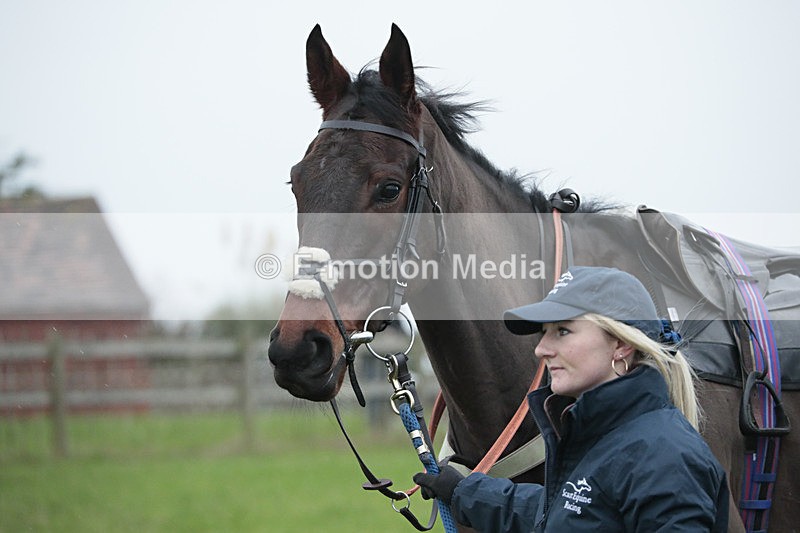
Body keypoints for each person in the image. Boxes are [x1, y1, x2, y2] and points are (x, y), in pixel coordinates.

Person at [414, 266, 729, 532]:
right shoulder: (601, 438)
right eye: (545, 332)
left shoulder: (664, 457)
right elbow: (559, 516)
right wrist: (461, 492)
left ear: (620, 344)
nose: (541, 349)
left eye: (562, 331)